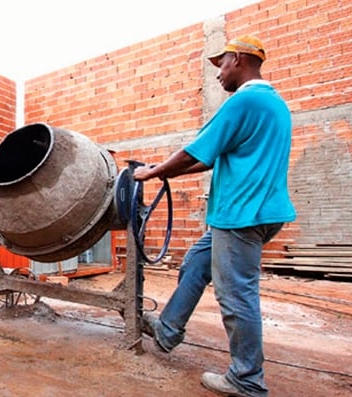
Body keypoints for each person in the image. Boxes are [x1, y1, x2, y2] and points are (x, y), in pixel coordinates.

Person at [133, 35, 296, 397]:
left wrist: (153, 171)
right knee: (196, 263)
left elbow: (192, 151)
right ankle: (167, 330)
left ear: (237, 59)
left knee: (236, 294)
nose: (219, 74)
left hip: (241, 214)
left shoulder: (243, 102)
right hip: (262, 211)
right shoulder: (274, 104)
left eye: (221, 64)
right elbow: (207, 158)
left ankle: (246, 379)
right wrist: (167, 171)